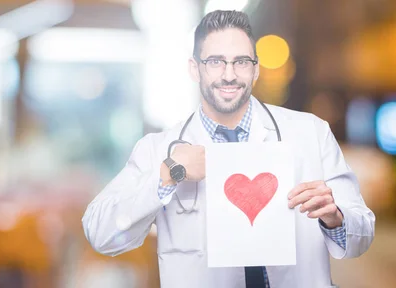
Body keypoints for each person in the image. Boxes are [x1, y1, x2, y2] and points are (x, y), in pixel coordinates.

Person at [82, 10, 375, 288]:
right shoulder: (158, 150)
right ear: (194, 68)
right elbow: (101, 234)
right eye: (215, 62)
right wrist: (169, 174)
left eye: (241, 62)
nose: (229, 74)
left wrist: (335, 217)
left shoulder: (310, 133)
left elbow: (362, 235)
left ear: (256, 69)